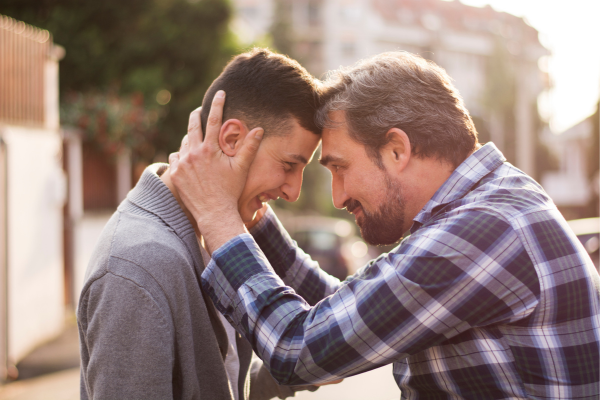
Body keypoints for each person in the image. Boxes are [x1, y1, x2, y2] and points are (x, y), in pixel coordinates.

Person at [169, 51, 600, 399]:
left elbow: (296, 347)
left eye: (339, 167)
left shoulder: (483, 232)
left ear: (397, 150)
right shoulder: (484, 207)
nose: (337, 197)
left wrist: (218, 213)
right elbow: (348, 312)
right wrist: (249, 203)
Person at [77, 48, 323, 400]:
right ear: (232, 140)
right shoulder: (139, 267)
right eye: (288, 165)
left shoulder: (205, 234)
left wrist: (299, 367)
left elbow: (220, 375)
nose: (294, 191)